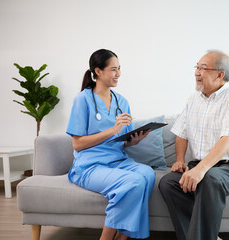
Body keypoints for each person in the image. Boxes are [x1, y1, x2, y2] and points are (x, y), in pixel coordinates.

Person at [158, 50, 229, 240]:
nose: (197, 72)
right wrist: (180, 160)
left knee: (209, 180)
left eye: (203, 68)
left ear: (219, 74)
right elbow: (182, 133)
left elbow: (228, 139)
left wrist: (200, 170)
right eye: (196, 67)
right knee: (168, 183)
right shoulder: (193, 99)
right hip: (199, 164)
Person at [66, 49, 156, 240]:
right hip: (89, 166)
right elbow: (77, 144)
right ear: (98, 71)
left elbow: (122, 141)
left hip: (118, 161)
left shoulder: (121, 101)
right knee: (132, 181)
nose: (118, 74)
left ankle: (122, 238)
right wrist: (112, 130)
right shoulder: (82, 100)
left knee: (147, 174)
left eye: (119, 69)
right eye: (113, 69)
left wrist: (134, 140)